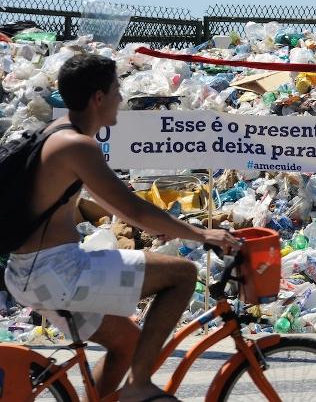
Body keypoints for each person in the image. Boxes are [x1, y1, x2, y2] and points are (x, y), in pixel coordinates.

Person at [4, 54, 241, 402]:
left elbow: (124, 208)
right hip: (57, 270)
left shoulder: (55, 135)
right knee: (182, 274)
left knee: (128, 342)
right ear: (98, 98)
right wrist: (203, 234)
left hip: (32, 272)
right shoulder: (76, 145)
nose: (121, 98)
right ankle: (139, 384)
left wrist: (168, 226)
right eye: (117, 90)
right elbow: (129, 209)